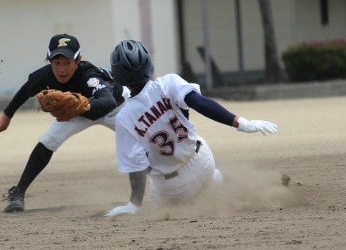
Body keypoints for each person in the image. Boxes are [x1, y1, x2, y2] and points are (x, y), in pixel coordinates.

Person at [104, 40, 277, 217]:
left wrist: (134, 204)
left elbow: (137, 166)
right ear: (149, 64)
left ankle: (203, 200)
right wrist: (241, 122)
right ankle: (259, 190)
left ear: (117, 77)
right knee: (213, 177)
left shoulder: (124, 117)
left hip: (172, 190)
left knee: (158, 196)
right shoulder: (168, 83)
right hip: (203, 162)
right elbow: (200, 103)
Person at [0, 34, 128, 213]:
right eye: (56, 62)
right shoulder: (46, 75)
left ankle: (159, 183)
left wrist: (83, 105)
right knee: (49, 139)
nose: (61, 69)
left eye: (67, 62)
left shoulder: (90, 76)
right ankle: (18, 193)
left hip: (118, 109)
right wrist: (6, 116)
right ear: (49, 60)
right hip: (80, 111)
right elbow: (26, 89)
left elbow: (108, 102)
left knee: (140, 144)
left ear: (78, 60)